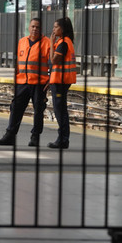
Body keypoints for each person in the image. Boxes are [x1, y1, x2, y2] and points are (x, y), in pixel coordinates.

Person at [0, 18, 51, 147]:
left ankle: (35, 136)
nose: (35, 29)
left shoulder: (47, 43)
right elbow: (18, 63)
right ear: (29, 27)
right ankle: (10, 135)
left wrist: (50, 80)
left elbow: (51, 64)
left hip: (39, 83)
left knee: (38, 110)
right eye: (33, 26)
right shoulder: (22, 42)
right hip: (22, 82)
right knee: (15, 108)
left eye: (37, 27)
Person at [47, 17, 77, 149]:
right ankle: (63, 138)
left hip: (61, 82)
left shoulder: (63, 43)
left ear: (62, 29)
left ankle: (63, 139)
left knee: (60, 111)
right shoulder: (65, 42)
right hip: (59, 80)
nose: (53, 30)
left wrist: (51, 43)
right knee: (60, 110)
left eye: (56, 27)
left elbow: (54, 61)